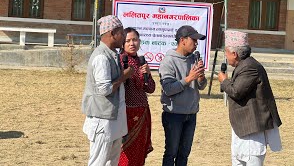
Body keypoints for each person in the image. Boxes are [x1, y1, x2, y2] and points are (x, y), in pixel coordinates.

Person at [218, 30, 282, 166]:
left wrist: (224, 81)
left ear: (234, 54)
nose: (226, 57)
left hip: (251, 128)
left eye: (227, 53)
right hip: (243, 126)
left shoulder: (249, 67)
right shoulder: (244, 65)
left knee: (251, 158)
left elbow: (236, 91)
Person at [81, 15, 134, 166]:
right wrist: (124, 77)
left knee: (111, 162)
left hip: (113, 119)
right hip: (103, 120)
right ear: (112, 33)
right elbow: (104, 89)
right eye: (121, 33)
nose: (124, 36)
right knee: (98, 162)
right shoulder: (101, 58)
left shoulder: (112, 54)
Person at [158, 25, 207, 166]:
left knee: (184, 154)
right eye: (194, 40)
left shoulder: (194, 59)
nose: (196, 44)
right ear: (182, 40)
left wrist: (200, 77)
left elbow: (202, 86)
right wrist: (189, 78)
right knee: (171, 153)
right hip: (174, 115)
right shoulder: (169, 61)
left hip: (191, 114)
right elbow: (168, 89)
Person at [118, 27, 156, 166]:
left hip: (143, 113)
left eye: (135, 40)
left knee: (139, 152)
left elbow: (151, 88)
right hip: (126, 114)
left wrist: (146, 73)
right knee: (124, 154)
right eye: (128, 41)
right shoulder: (121, 61)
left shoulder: (141, 61)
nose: (132, 43)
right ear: (122, 43)